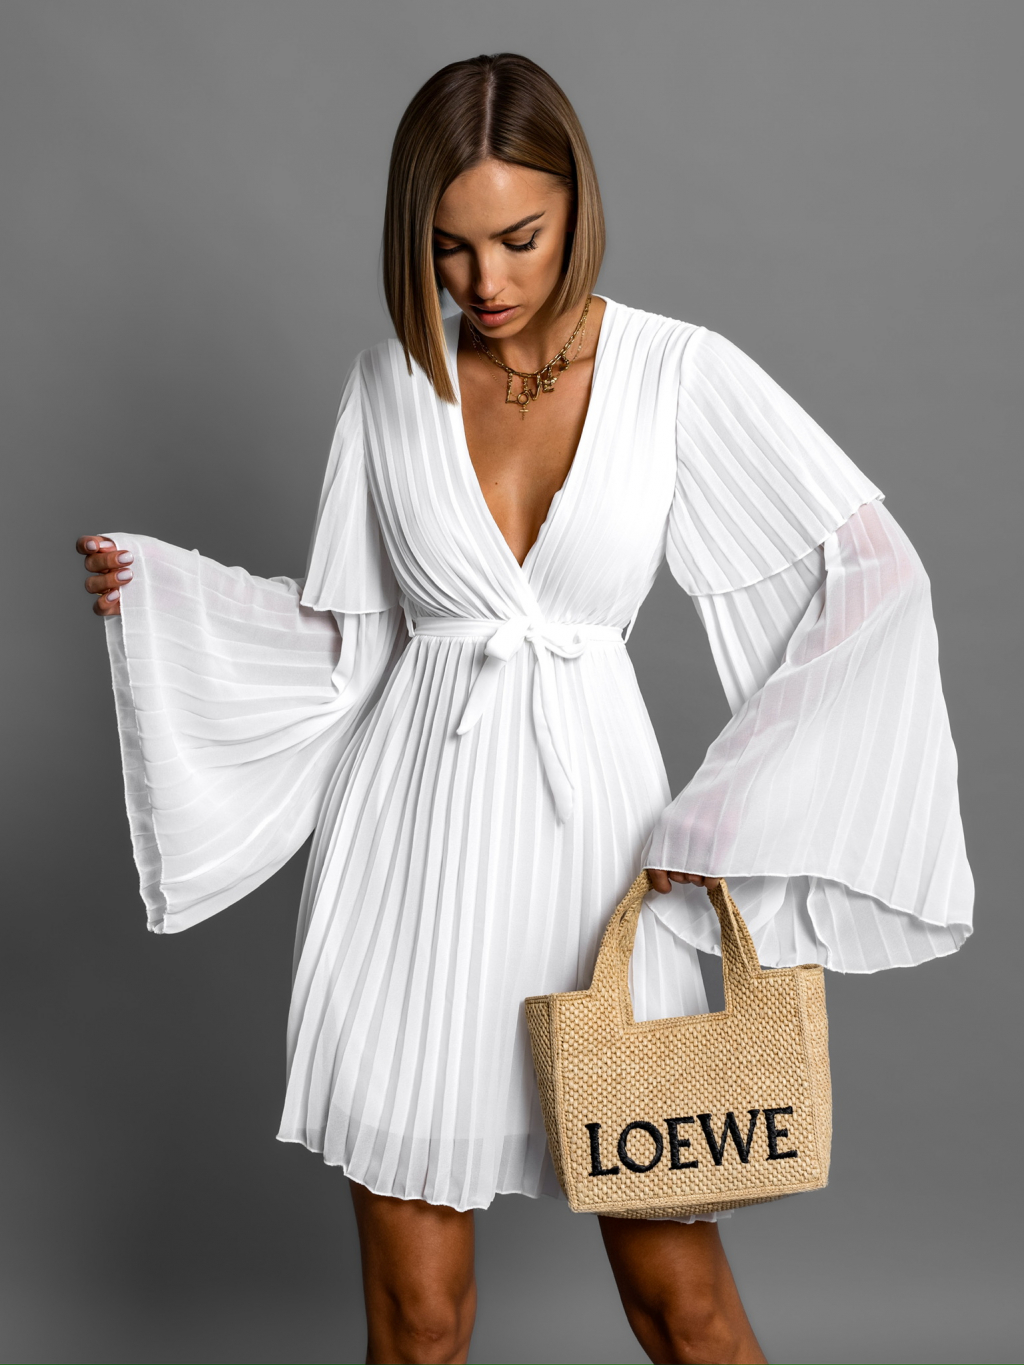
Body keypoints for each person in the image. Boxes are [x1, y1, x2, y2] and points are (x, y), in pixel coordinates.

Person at [77, 53, 973, 1365]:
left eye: (519, 238)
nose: (485, 282)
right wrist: (168, 593)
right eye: (449, 248)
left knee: (683, 1308)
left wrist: (728, 811)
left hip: (600, 859)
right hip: (407, 860)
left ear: (576, 207)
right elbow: (349, 643)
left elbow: (874, 577)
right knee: (419, 1320)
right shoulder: (387, 389)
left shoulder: (675, 371)